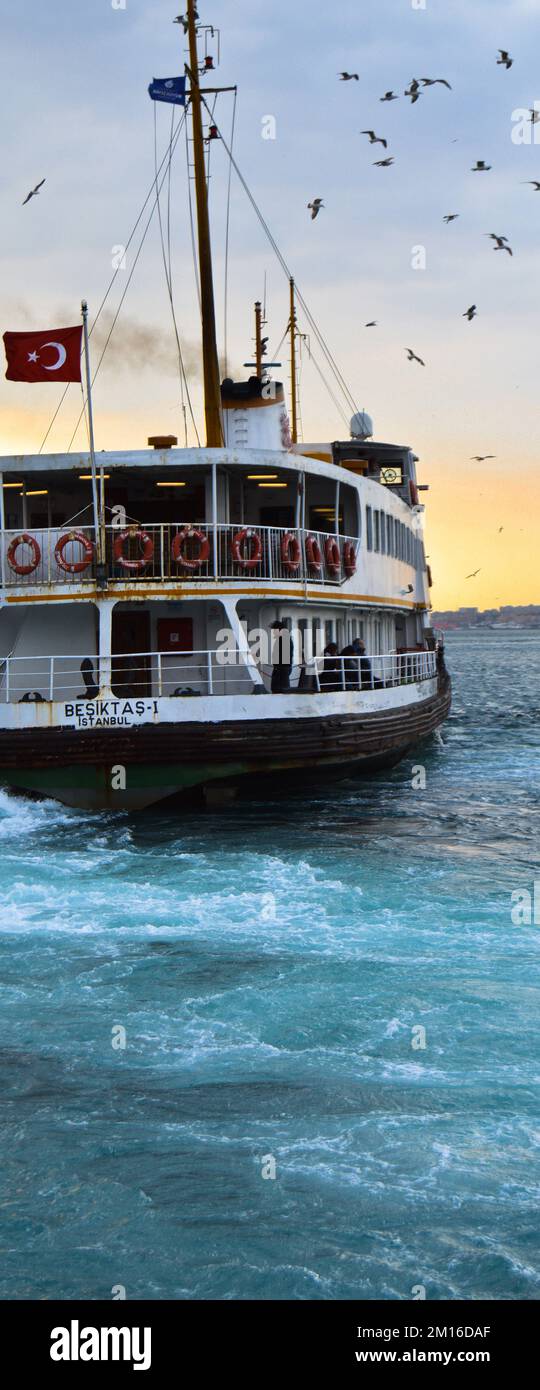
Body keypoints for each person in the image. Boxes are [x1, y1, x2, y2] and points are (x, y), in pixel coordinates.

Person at [270, 619, 292, 693]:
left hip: (281, 669)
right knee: (280, 688)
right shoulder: (283, 638)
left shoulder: (284, 639)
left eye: (274, 630)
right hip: (282, 668)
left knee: (280, 689)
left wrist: (277, 667)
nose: (273, 632)